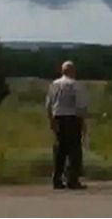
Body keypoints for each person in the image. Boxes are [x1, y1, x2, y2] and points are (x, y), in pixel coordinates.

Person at [45, 60, 88, 189]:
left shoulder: (54, 84)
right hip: (72, 118)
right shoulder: (75, 85)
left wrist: (51, 120)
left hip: (58, 118)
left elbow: (48, 104)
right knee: (74, 150)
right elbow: (80, 106)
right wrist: (83, 122)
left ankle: (57, 179)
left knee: (60, 150)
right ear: (72, 71)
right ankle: (72, 179)